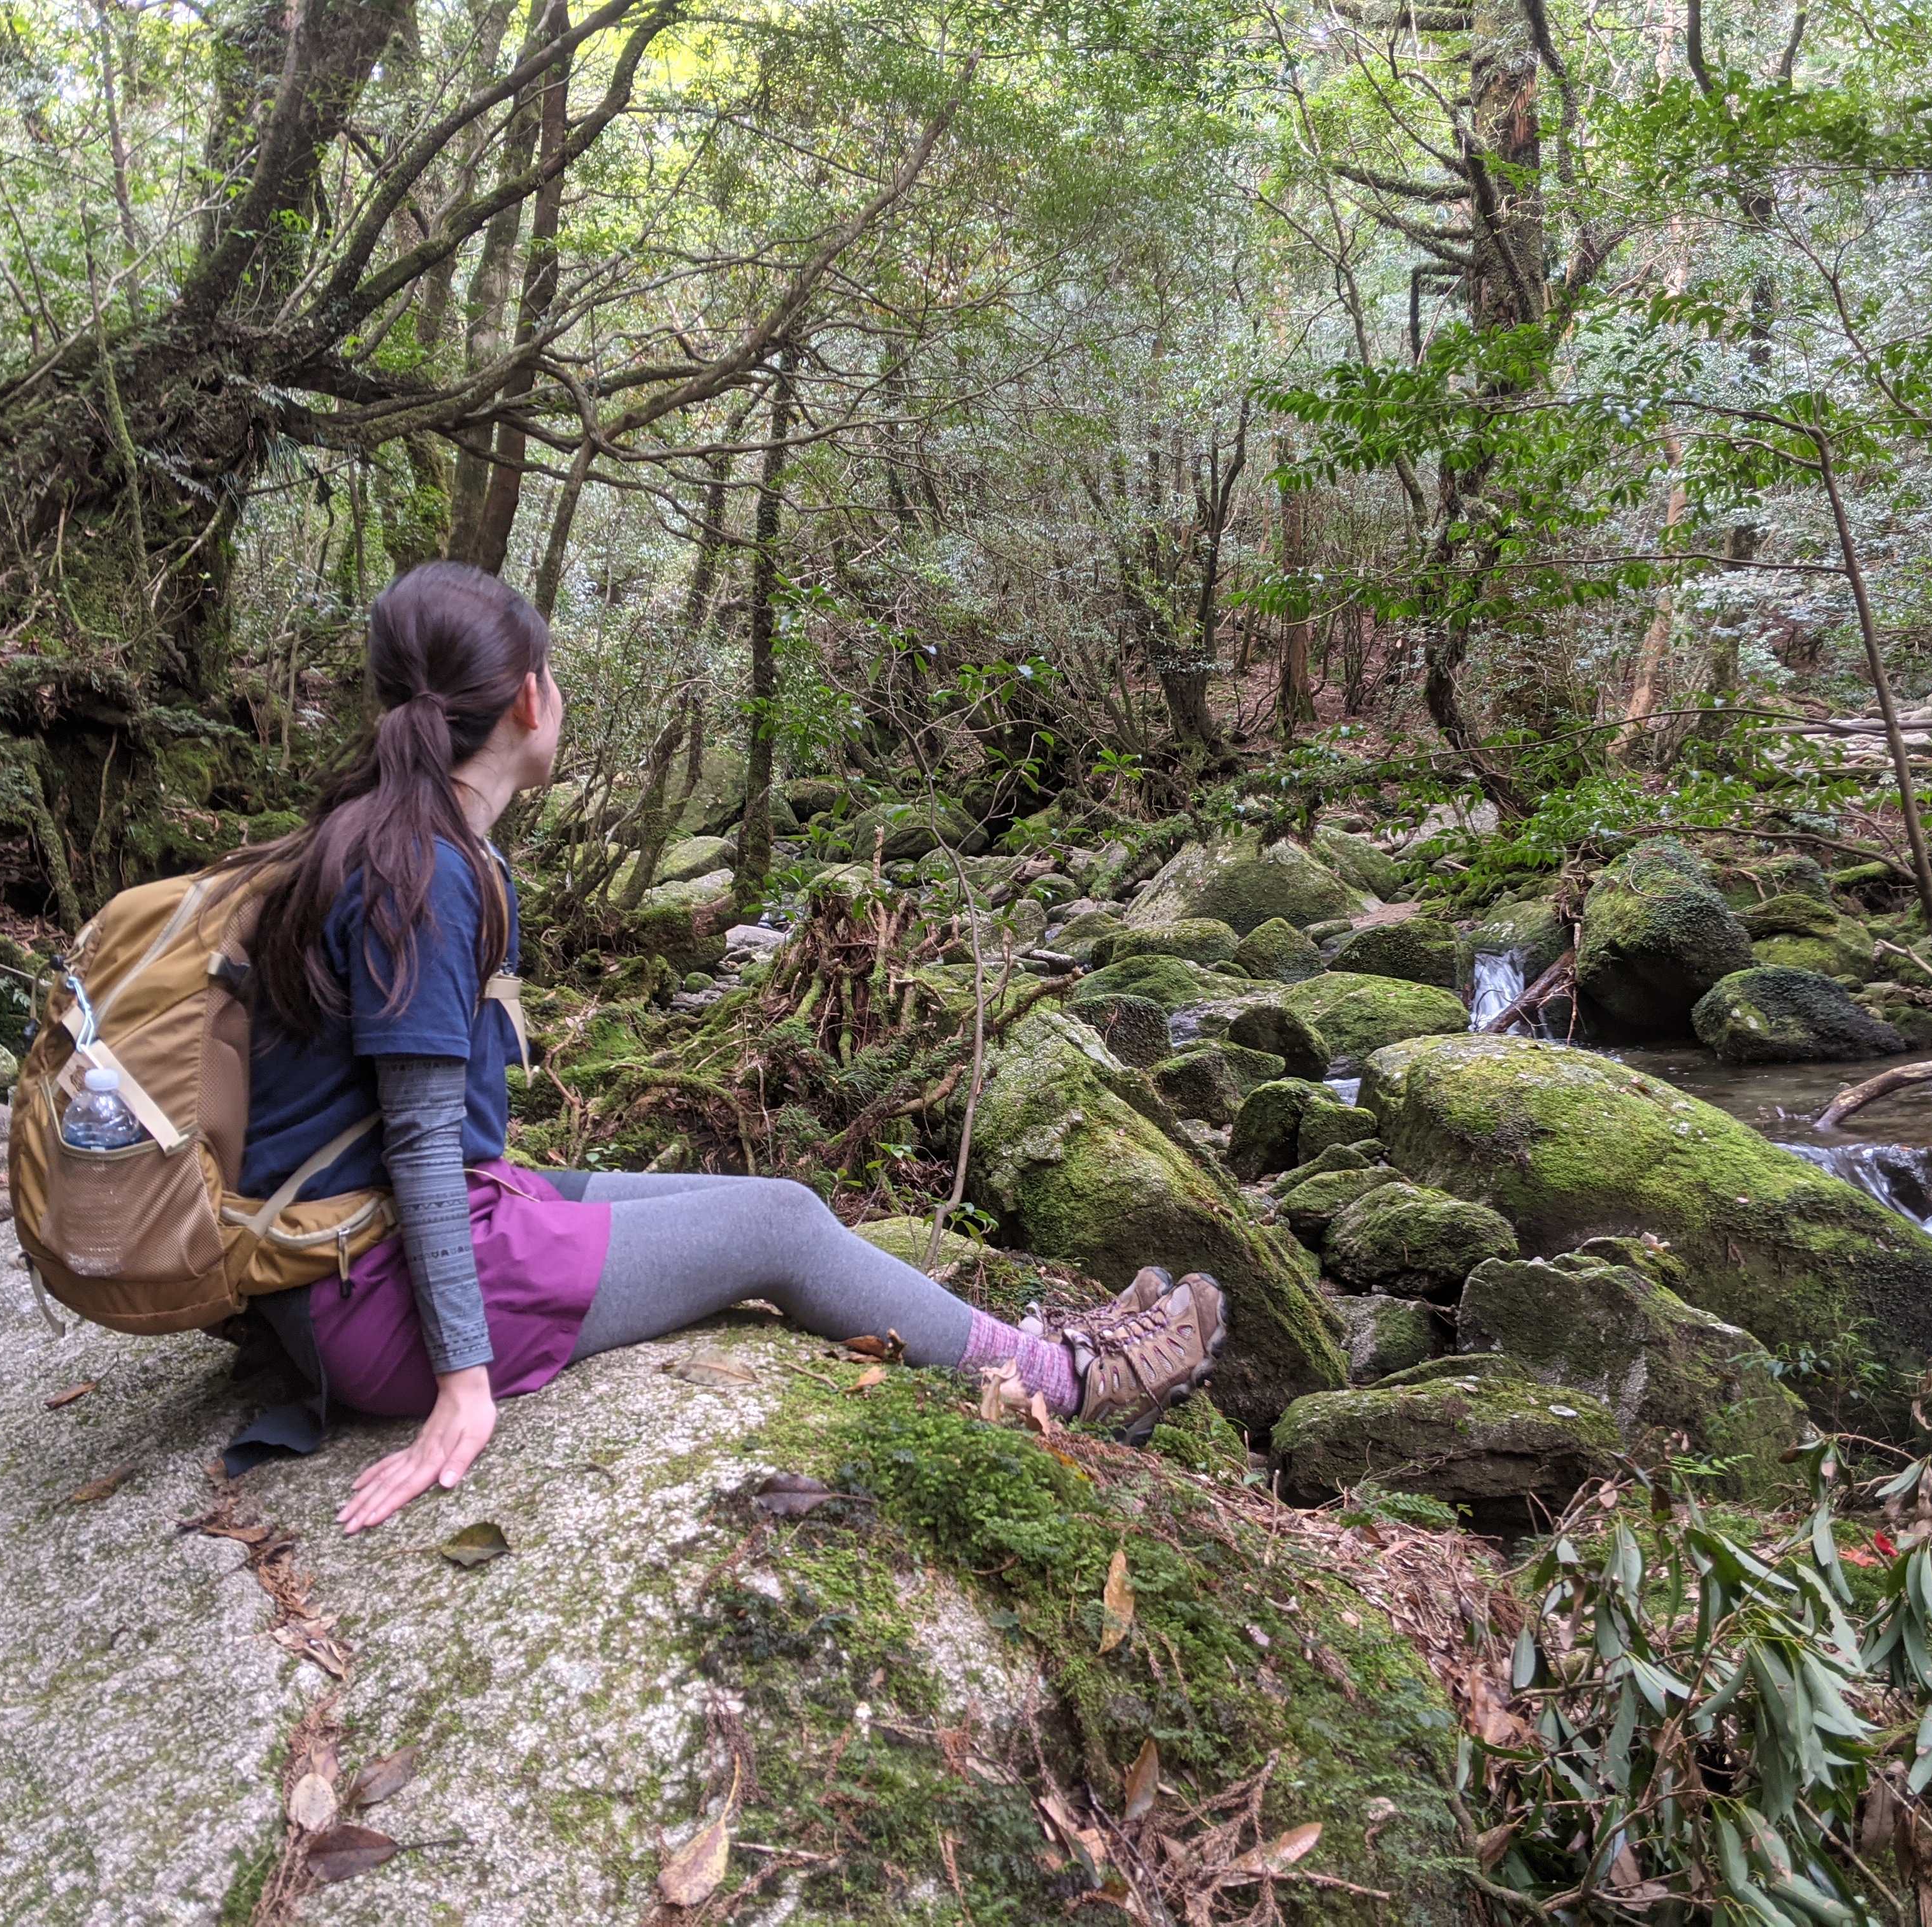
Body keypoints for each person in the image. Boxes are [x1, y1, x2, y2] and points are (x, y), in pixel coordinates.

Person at [220, 563, 1227, 1534]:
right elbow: (425, 1145)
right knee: (780, 1223)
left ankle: (1037, 1342)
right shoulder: (425, 871)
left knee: (725, 1204)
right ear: (531, 699)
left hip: (348, 1255)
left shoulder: (373, 833)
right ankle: (1076, 1381)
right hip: (372, 1294)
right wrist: (462, 1386)